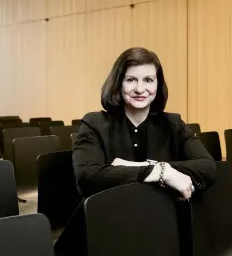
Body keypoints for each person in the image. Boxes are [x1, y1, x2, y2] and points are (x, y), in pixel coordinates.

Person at [54, 47, 216, 256]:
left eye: (149, 80)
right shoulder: (94, 123)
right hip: (107, 228)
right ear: (118, 83)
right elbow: (88, 177)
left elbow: (208, 167)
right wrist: (161, 173)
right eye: (131, 80)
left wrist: (143, 167)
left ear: (158, 84)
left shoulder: (173, 123)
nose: (140, 89)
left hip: (159, 228)